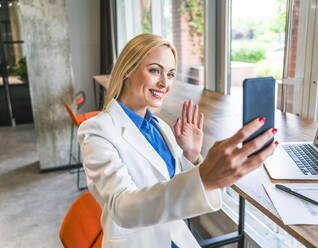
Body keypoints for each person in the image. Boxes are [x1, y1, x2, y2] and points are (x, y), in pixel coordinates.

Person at [78, 33, 278, 248]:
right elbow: (122, 207)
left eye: (171, 74)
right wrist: (204, 178)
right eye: (155, 70)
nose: (165, 83)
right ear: (128, 69)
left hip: (176, 238)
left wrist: (191, 156)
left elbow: (177, 189)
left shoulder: (160, 126)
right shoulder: (97, 131)